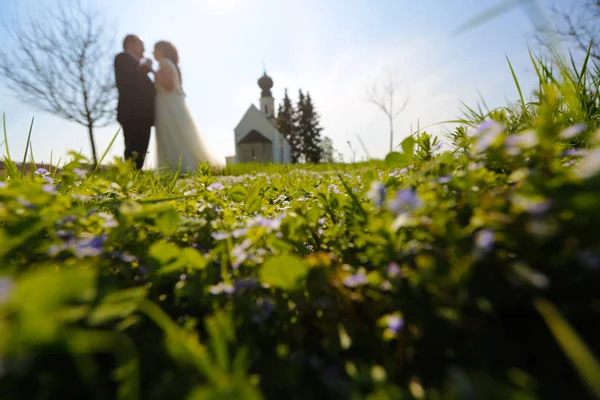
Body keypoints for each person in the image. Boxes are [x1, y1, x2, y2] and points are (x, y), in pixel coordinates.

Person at [150, 41, 223, 174]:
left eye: (155, 50)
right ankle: (176, 167)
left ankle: (179, 167)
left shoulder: (164, 63)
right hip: (171, 104)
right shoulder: (170, 65)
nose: (153, 53)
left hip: (168, 105)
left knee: (172, 135)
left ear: (162, 51)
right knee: (177, 135)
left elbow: (169, 85)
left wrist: (152, 71)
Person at [114, 34, 156, 169]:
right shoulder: (122, 58)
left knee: (142, 149)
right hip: (133, 113)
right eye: (141, 44)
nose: (144, 48)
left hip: (143, 115)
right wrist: (146, 67)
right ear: (131, 44)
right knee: (133, 149)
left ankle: (135, 178)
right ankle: (130, 180)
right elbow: (131, 80)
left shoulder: (137, 64)